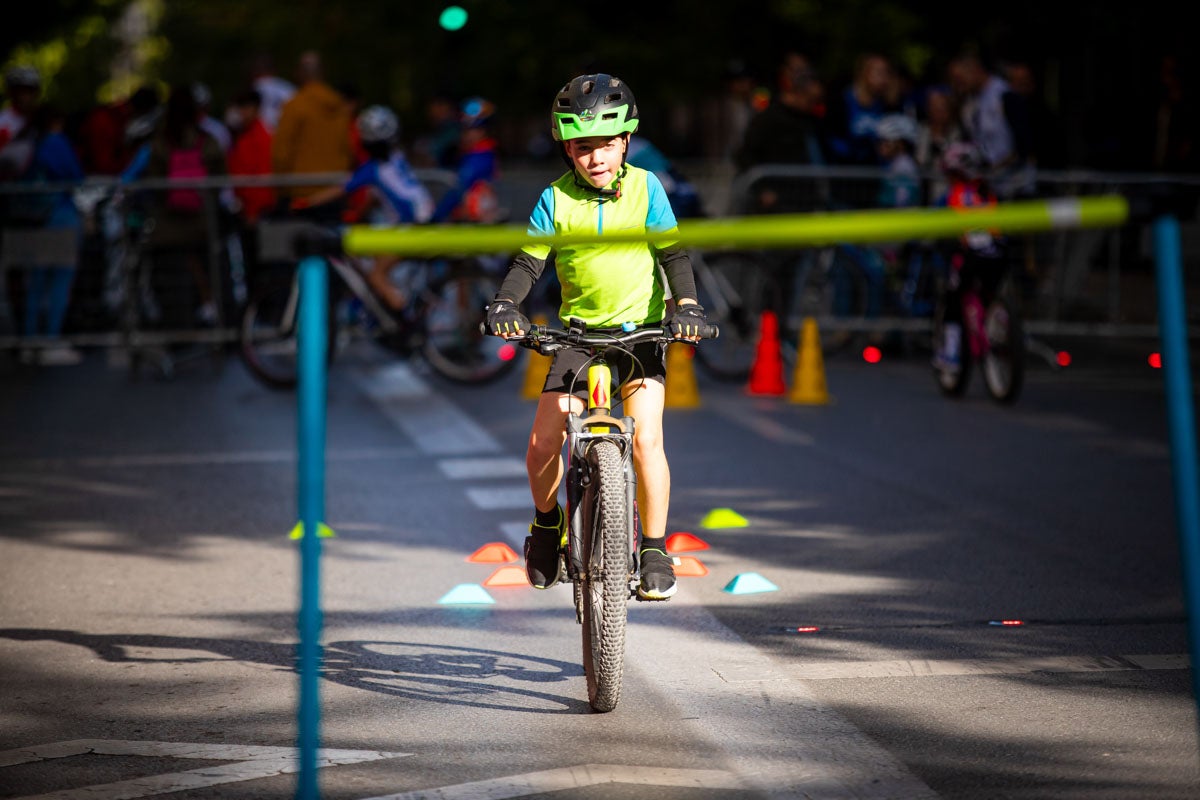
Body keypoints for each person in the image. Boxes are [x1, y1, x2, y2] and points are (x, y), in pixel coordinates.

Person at [484, 73, 706, 601]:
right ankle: (545, 525)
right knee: (542, 441)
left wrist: (689, 306)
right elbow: (529, 262)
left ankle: (653, 545)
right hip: (577, 339)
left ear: (626, 140)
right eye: (583, 148)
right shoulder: (555, 200)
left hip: (642, 335)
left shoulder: (649, 188)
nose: (596, 158)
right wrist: (506, 302)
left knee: (648, 440)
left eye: (606, 145)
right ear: (567, 149)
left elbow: (673, 255)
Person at [292, 105, 433, 309]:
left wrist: (305, 203)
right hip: (422, 220)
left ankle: (403, 316)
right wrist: (357, 214)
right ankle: (391, 302)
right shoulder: (396, 158)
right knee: (373, 252)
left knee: (376, 274)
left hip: (411, 228)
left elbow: (340, 189)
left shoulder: (372, 169)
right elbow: (380, 196)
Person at [144, 84, 227, 326]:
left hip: (167, 226)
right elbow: (219, 176)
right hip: (202, 222)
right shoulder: (206, 140)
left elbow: (153, 179)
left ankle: (178, 329)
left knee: (172, 284)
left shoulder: (160, 142)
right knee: (207, 274)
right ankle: (213, 326)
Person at [11, 104, 87, 365]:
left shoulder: (28, 141)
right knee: (58, 282)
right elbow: (75, 175)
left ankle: (30, 341)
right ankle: (50, 340)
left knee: (36, 282)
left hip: (28, 217)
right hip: (57, 214)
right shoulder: (56, 142)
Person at [733, 51, 830, 214]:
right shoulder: (770, 118)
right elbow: (745, 155)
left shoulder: (810, 120)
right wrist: (764, 191)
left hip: (806, 203)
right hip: (778, 206)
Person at [271, 51, 353, 212]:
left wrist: (281, 189)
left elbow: (281, 153)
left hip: (301, 194)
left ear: (300, 73)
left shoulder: (294, 106)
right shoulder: (339, 107)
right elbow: (348, 148)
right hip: (334, 192)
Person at [430, 97, 501, 223]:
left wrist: (434, 219)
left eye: (471, 129)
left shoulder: (481, 157)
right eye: (464, 129)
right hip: (472, 220)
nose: (465, 135)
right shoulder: (474, 154)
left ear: (483, 131)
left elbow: (458, 191)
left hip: (476, 222)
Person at [826, 52, 895, 167]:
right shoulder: (841, 102)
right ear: (864, 73)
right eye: (879, 73)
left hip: (875, 175)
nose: (885, 79)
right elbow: (832, 140)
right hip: (846, 173)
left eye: (887, 73)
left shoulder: (887, 106)